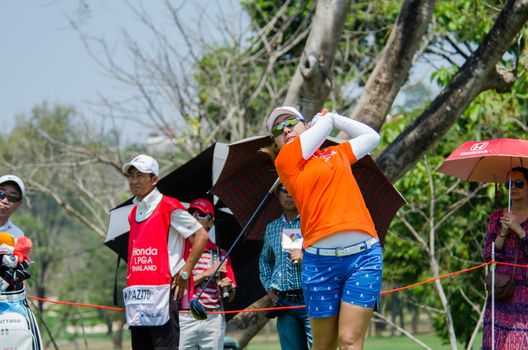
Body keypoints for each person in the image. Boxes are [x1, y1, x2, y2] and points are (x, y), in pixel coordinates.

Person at [266, 106, 383, 350]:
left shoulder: (335, 153)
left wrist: (337, 118)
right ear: (276, 142)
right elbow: (322, 130)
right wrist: (327, 120)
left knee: (350, 341)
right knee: (324, 346)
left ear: (306, 125)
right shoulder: (285, 162)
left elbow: (372, 137)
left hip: (364, 257)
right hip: (320, 264)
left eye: (291, 122)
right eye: (278, 129)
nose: (285, 130)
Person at [122, 154, 209, 350]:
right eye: (131, 176)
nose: (134, 181)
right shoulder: (133, 213)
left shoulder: (169, 206)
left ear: (154, 179)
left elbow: (201, 236)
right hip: (138, 295)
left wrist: (185, 271)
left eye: (140, 175)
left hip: (163, 293)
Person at [259, 183, 312, 350]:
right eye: (284, 190)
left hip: (312, 300)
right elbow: (264, 260)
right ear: (277, 194)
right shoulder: (272, 228)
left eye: (293, 190)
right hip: (285, 303)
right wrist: (269, 286)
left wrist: (305, 258)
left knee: (322, 346)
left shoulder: (312, 222)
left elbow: (328, 256)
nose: (289, 195)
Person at [179, 198, 237, 350]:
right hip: (185, 316)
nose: (195, 217)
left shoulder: (220, 254)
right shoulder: (179, 251)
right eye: (191, 213)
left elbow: (230, 296)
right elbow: (178, 285)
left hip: (214, 318)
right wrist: (207, 274)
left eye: (201, 214)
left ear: (210, 223)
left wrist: (228, 287)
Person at [482, 167, 528, 350]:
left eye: (519, 183)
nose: (513, 188)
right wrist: (502, 232)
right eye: (509, 184)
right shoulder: (496, 217)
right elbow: (489, 255)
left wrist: (519, 230)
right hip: (502, 290)